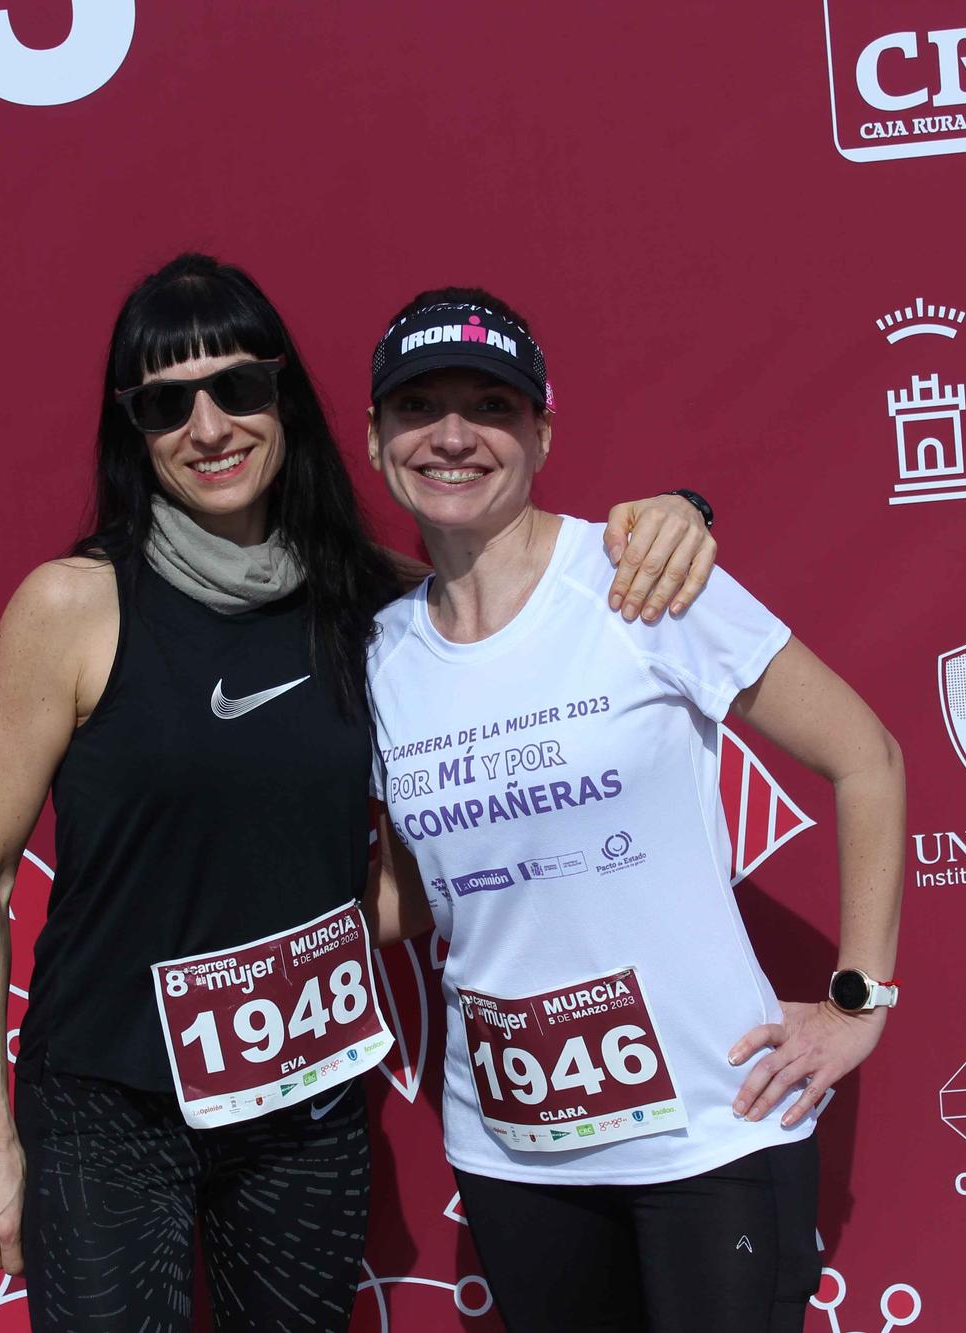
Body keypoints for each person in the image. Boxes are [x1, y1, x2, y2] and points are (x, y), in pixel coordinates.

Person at [0, 253, 723, 1332]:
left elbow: (529, 579)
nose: (209, 425)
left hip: (303, 1101)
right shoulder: (73, 605)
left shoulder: (370, 600)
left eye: (239, 389)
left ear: (286, 400)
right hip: (106, 1104)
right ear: (135, 429)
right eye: (168, 403)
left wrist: (674, 513)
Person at [361, 287, 906, 1333]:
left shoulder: (640, 580)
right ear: (378, 438)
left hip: (711, 1134)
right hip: (515, 1152)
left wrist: (856, 999)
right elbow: (425, 894)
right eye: (418, 406)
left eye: (490, 405)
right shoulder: (379, 656)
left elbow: (867, 758)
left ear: (541, 431)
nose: (453, 435)